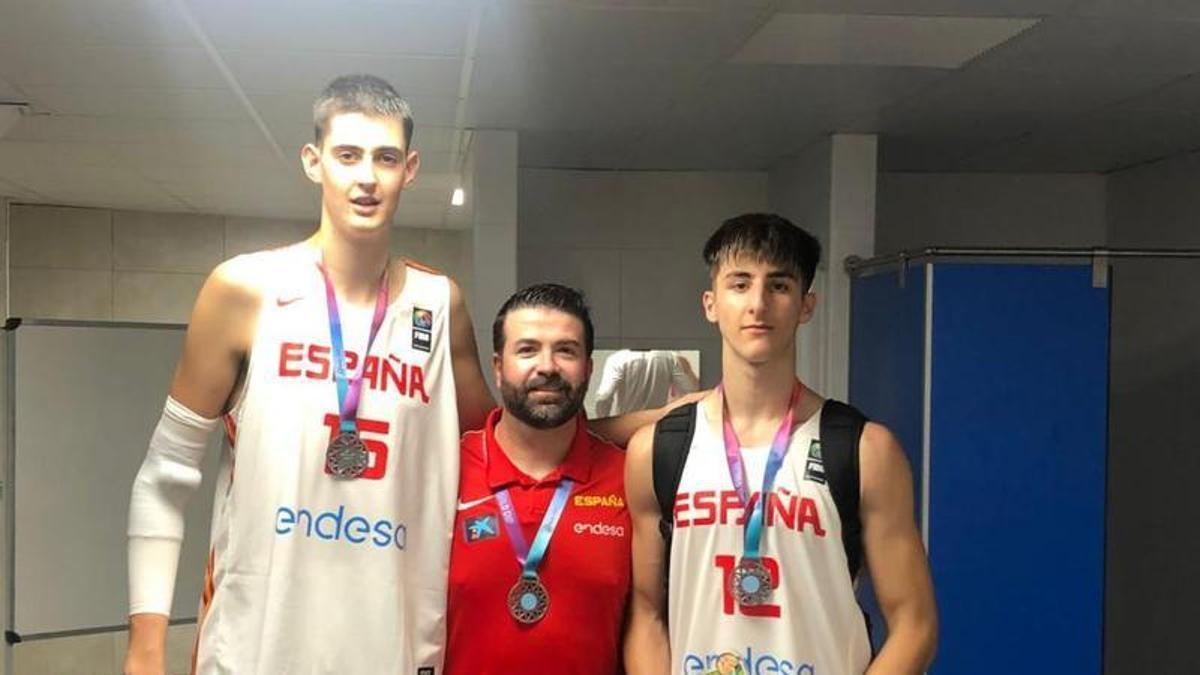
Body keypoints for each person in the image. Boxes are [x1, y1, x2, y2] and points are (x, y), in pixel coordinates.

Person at [124, 74, 668, 675]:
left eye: (384, 158)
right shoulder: (246, 290)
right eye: (347, 155)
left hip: (393, 649)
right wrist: (145, 649)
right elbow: (165, 476)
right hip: (258, 645)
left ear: (409, 170)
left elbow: (500, 441)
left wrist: (641, 429)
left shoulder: (437, 305)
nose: (366, 177)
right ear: (313, 161)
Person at [624, 214, 937, 675]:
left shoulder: (865, 450)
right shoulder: (656, 451)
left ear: (806, 305)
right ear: (710, 304)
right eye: (740, 284)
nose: (758, 304)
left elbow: (915, 623)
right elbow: (646, 614)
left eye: (779, 285)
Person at [446, 284, 630, 675]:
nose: (547, 367)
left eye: (566, 351)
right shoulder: (446, 469)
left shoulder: (629, 478)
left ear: (589, 368)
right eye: (528, 350)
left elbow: (649, 620)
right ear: (498, 367)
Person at [594, 349, 700, 417]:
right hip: (655, 425)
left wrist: (603, 426)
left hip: (626, 425)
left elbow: (603, 398)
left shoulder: (617, 359)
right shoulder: (670, 358)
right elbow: (690, 392)